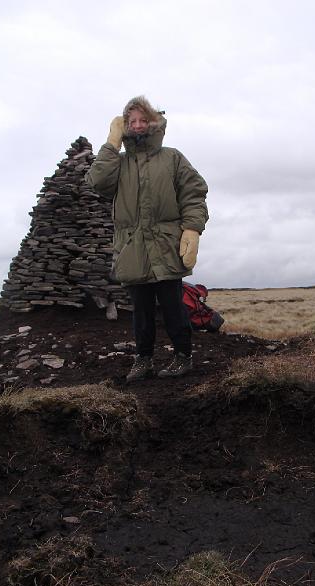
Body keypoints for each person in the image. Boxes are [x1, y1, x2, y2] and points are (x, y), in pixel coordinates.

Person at [85, 96, 208, 382]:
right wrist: (112, 142)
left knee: (173, 305)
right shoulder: (119, 162)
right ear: (124, 126)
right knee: (140, 311)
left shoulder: (172, 158)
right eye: (131, 122)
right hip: (132, 247)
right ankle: (144, 360)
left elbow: (194, 194)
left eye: (143, 120)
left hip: (166, 244)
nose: (138, 126)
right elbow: (97, 182)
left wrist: (192, 229)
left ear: (153, 122)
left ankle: (182, 357)